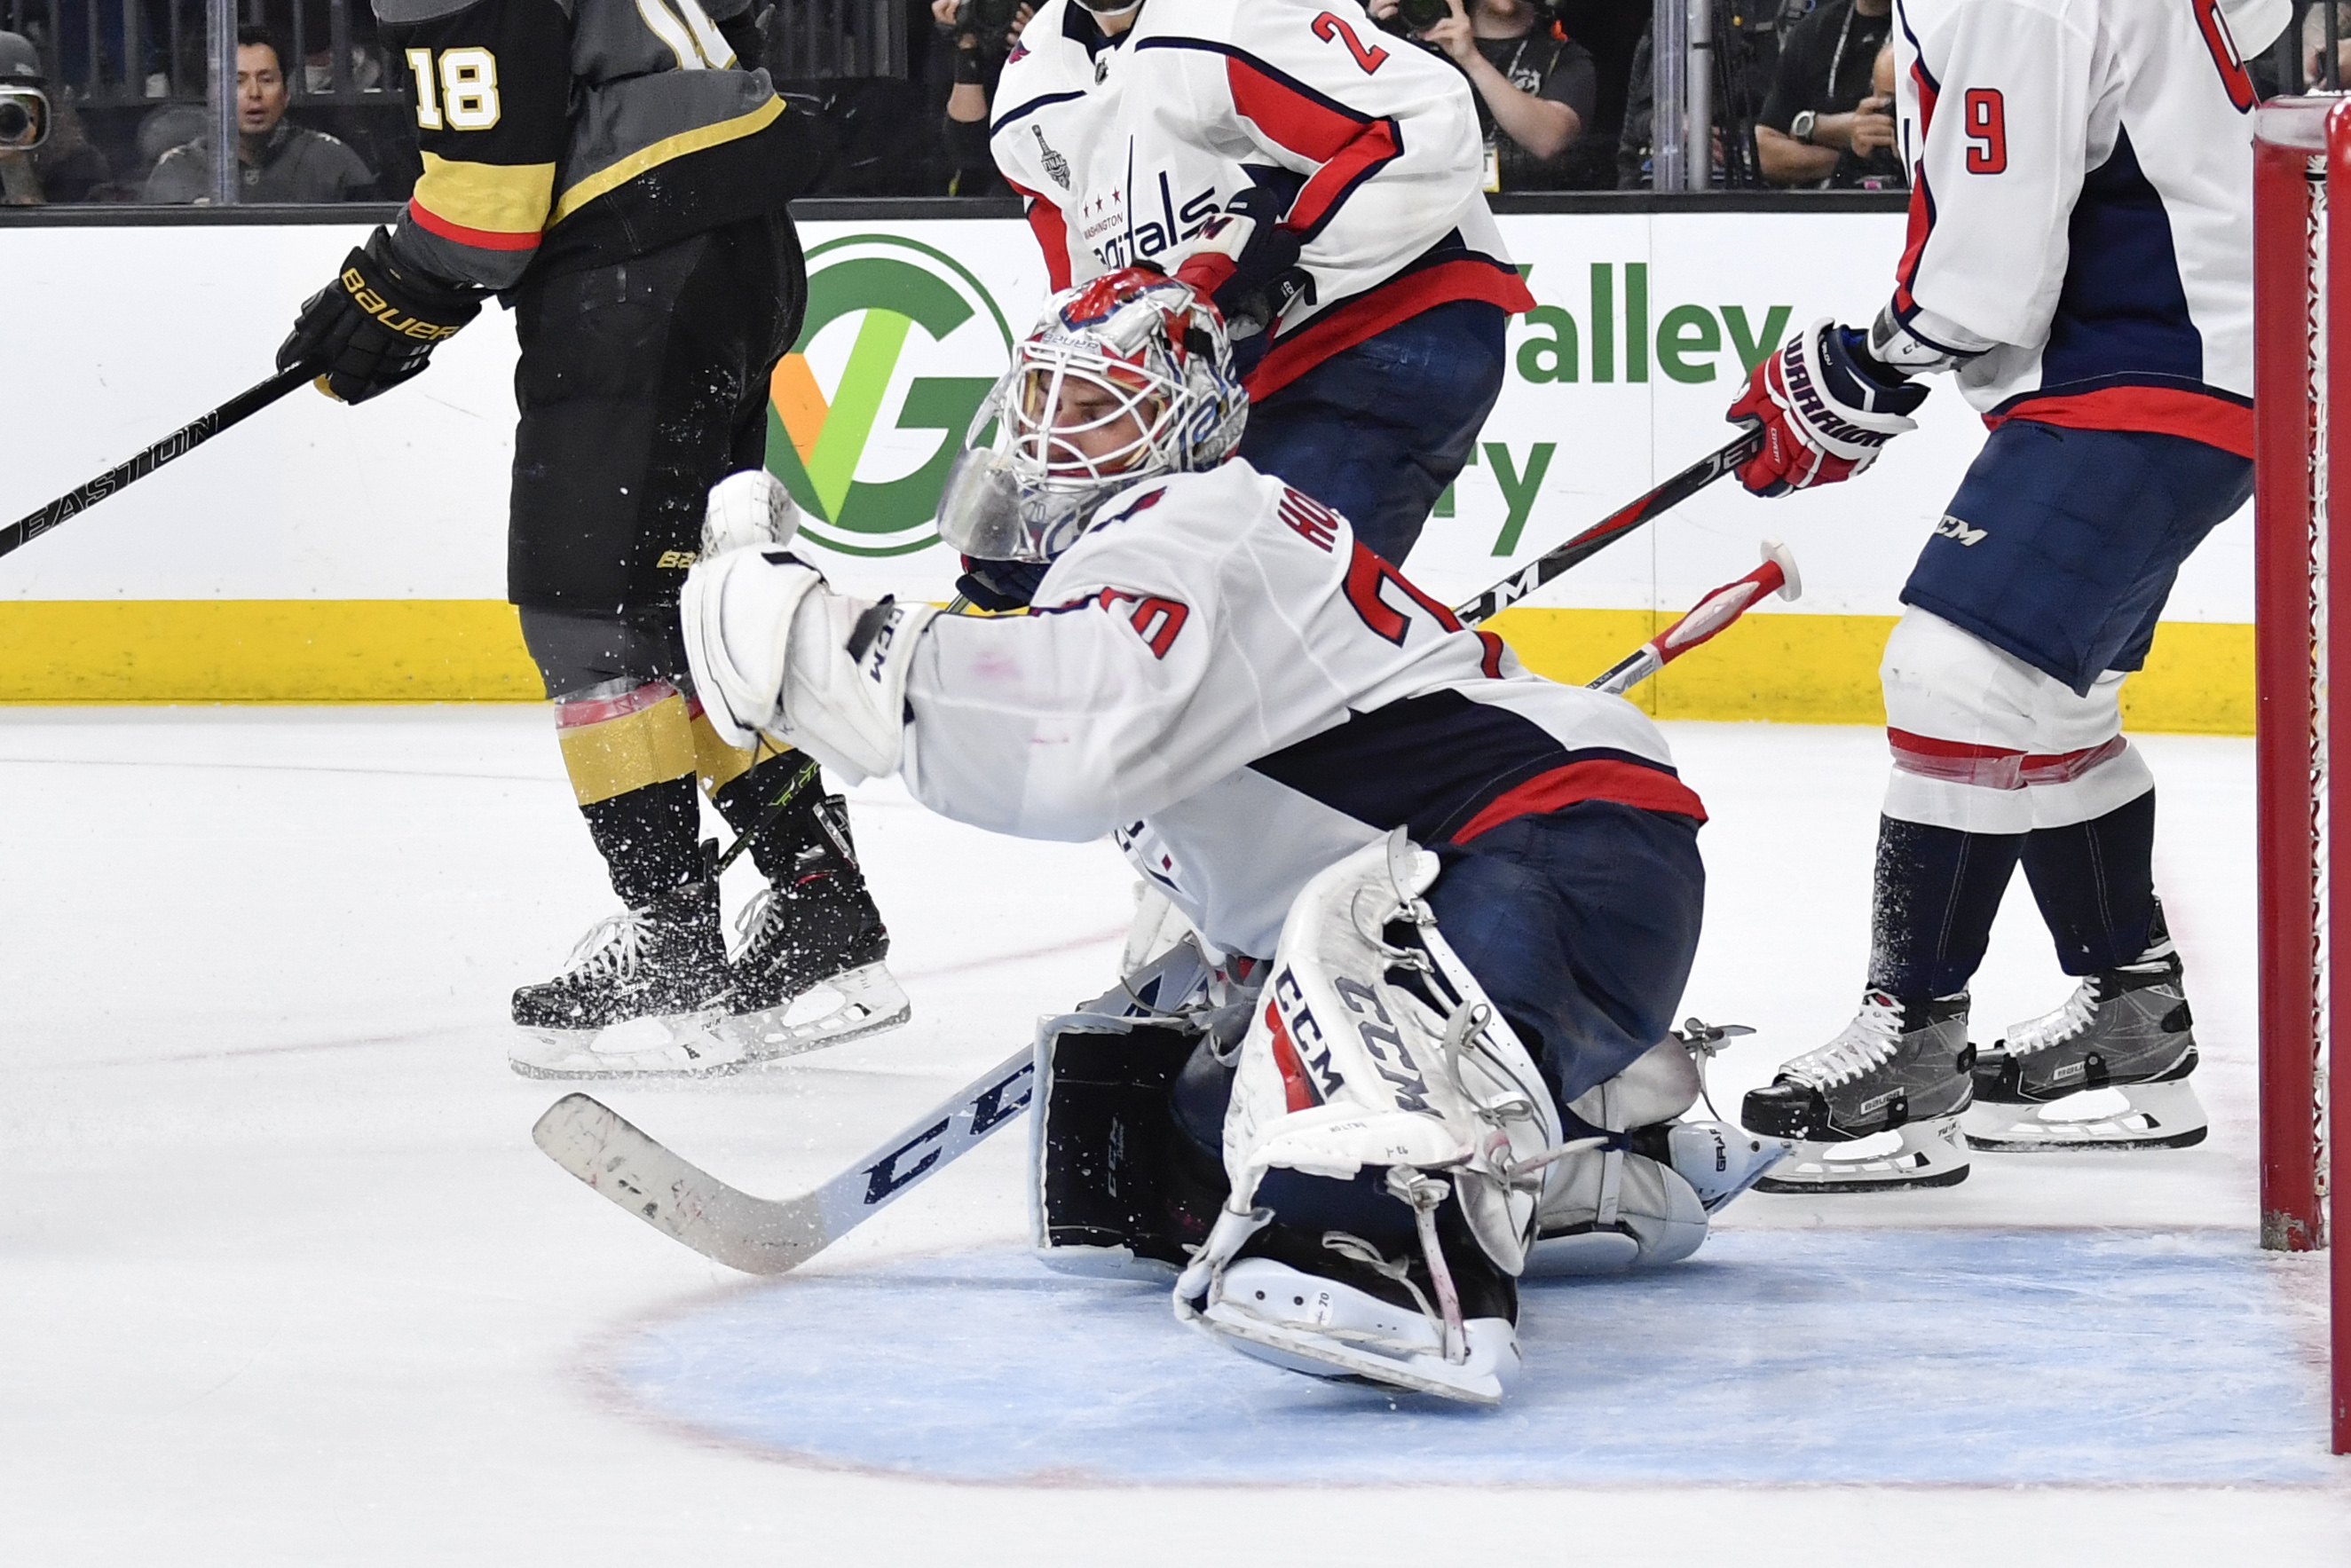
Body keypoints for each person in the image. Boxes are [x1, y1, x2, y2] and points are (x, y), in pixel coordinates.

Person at [677, 269, 1783, 1403]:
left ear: (1185, 434)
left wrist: (809, 632)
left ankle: (1394, 1259)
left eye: (1100, 410)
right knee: (1198, 1133)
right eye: (1042, 402)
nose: (1054, 440)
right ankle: (1588, 1152)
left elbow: (1056, 735)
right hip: (1506, 870)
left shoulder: (1189, 519)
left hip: (1559, 845)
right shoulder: (1151, 556)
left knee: (1337, 1157)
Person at [271, 0, 908, 1078]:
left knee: (591, 620)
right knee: (689, 615)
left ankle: (675, 962)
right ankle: (819, 913)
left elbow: (486, 211)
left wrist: (396, 290)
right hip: (731, 242)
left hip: (640, 261)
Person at [1720, 0, 2287, 1190]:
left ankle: (1910, 1058)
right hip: (2187, 368)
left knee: (1950, 671)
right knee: (2046, 704)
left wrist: (1867, 363)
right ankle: (2131, 1028)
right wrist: (1879, 372)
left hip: (2146, 371)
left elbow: (1982, 279)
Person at [977, 0, 1534, 593]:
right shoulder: (1029, 84)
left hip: (1389, 319)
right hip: (1228, 374)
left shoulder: (1234, 13)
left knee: (1251, 609)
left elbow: (1428, 122)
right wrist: (1048, 491)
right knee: (1152, 597)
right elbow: (1091, 308)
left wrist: (1273, 278)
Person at [1370, 0, 1597, 193]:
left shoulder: (1566, 59)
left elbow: (1548, 139)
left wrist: (1471, 58)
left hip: (1528, 223)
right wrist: (1366, 28)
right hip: (1428, 216)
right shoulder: (1409, 49)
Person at [145, 28, 377, 204]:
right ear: (213, 96)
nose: (254, 93)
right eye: (238, 81)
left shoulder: (332, 162)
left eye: (266, 80)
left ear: (286, 94)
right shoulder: (179, 170)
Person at [1752, 0, 1896, 190]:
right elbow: (1765, 153)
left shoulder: (1929, 33)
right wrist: (1848, 158)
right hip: (1820, 210)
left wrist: (1814, 132)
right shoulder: (1813, 32)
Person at [0, 29, 112, 206]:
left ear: (44, 104)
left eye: (19, 100)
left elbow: (55, 230)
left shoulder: (78, 164)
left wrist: (15, 164)